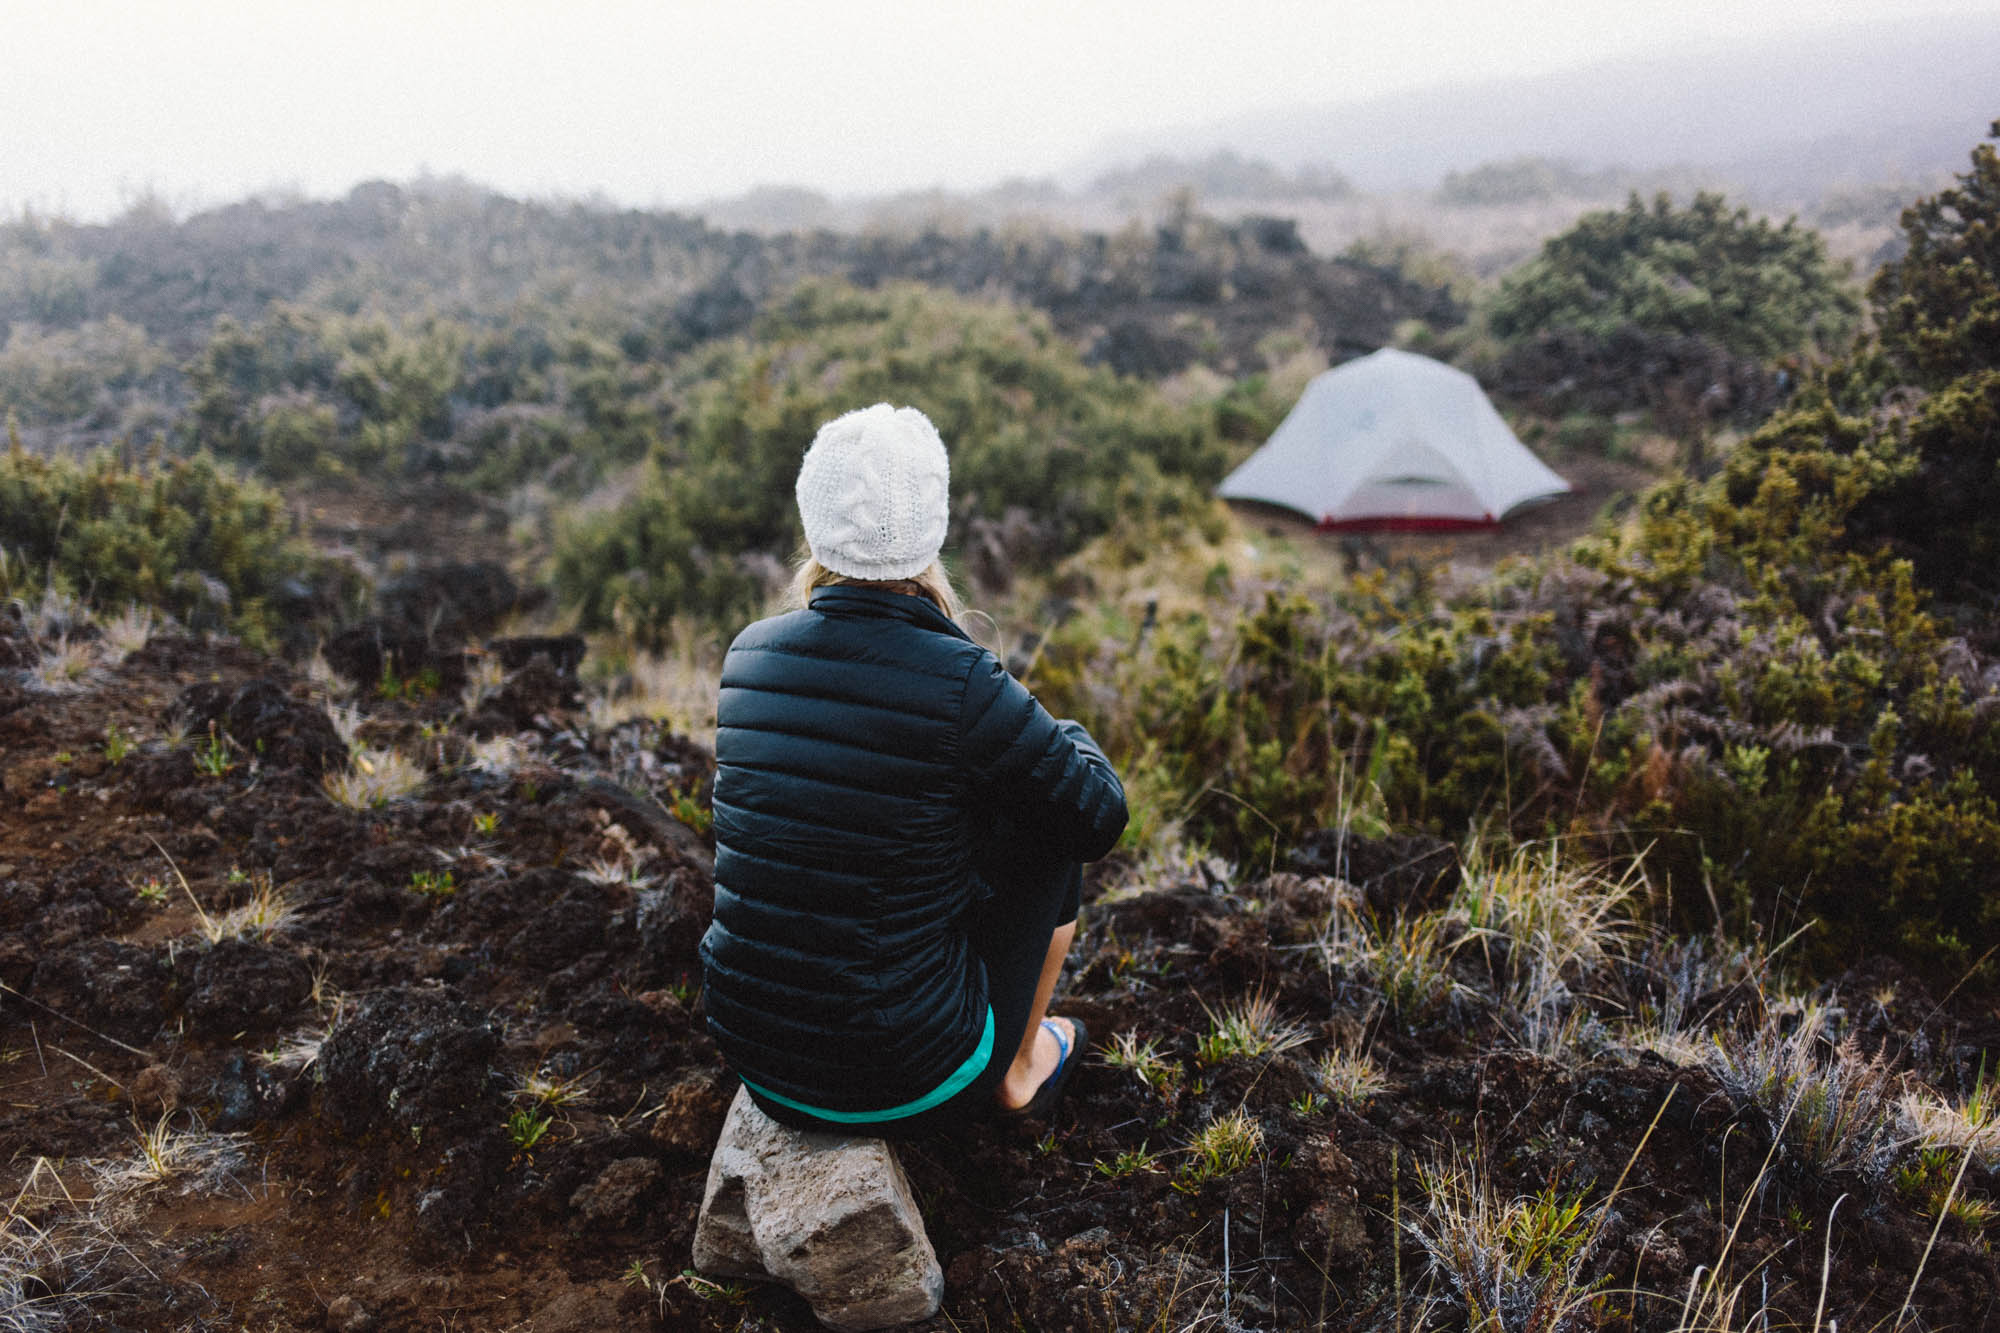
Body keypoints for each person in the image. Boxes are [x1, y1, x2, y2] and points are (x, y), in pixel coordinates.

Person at [698, 403, 1127, 1138]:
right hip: (904, 1074)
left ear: (814, 524)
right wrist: (1065, 732)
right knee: (1048, 829)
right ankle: (1019, 1073)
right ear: (934, 530)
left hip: (757, 1054)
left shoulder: (749, 655)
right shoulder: (963, 681)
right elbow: (1098, 815)